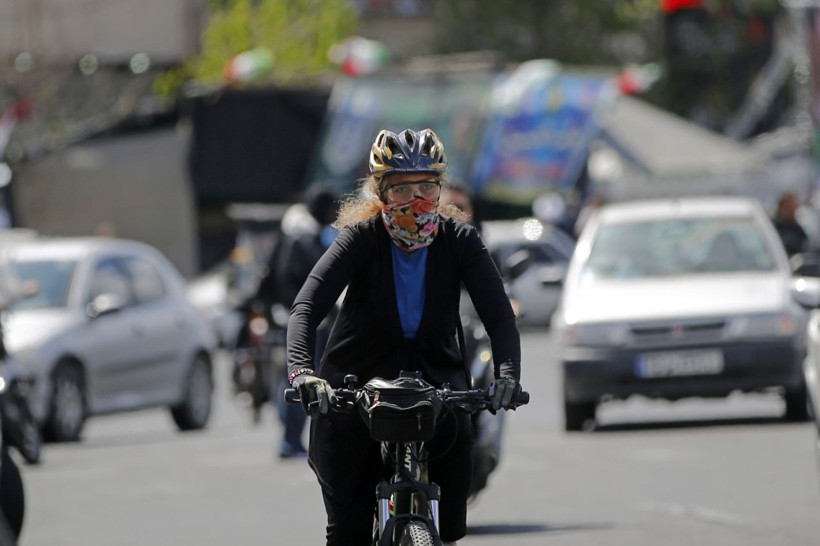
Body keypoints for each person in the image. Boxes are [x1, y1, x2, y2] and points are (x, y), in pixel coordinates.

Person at [286, 128, 522, 545]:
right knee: (347, 529)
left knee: (451, 514)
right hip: (356, 383)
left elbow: (499, 318)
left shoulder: (460, 239)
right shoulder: (359, 239)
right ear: (380, 194)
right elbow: (305, 308)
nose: (415, 199)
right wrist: (303, 373)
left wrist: (507, 375)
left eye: (426, 186)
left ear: (440, 189)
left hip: (436, 380)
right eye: (401, 189)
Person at [255, 188, 340, 459]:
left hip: (285, 318)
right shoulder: (304, 239)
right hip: (304, 322)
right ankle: (291, 440)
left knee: (289, 379)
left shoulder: (290, 233)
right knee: (301, 380)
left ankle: (290, 438)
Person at [772, 191, 808, 257]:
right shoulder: (773, 226)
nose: (794, 210)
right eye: (791, 207)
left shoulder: (796, 227)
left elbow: (804, 244)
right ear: (783, 206)